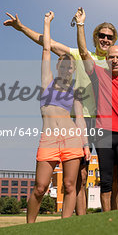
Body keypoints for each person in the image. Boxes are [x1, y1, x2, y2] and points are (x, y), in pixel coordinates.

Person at [4, 10, 118, 214]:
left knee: (117, 177)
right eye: (102, 36)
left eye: (109, 37)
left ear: (114, 41)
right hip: (79, 121)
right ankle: (83, 221)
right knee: (80, 177)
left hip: (109, 123)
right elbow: (48, 43)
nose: (105, 39)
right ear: (96, 38)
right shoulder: (80, 56)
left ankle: (115, 219)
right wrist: (21, 28)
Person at [27, 11, 90, 223]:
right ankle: (30, 227)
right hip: (49, 139)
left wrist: (86, 145)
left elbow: (80, 119)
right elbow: (46, 49)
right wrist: (46, 22)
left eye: (70, 66)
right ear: (57, 67)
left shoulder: (76, 91)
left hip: (72, 140)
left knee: (70, 186)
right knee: (40, 187)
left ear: (73, 70)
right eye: (63, 65)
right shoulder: (47, 83)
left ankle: (65, 226)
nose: (67, 69)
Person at [80, 40, 118, 211]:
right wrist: (80, 25)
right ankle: (107, 219)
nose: (115, 60)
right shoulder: (98, 73)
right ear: (106, 59)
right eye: (112, 57)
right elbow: (83, 53)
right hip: (104, 133)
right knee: (106, 181)